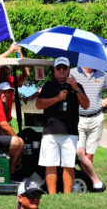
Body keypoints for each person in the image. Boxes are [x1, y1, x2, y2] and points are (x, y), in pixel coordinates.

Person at [36, 57, 89, 194]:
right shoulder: (48, 86)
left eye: (64, 68)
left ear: (68, 70)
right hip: (50, 132)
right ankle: (53, 195)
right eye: (58, 68)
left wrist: (76, 88)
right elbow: (39, 104)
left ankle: (67, 195)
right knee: (50, 165)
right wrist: (58, 98)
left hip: (69, 132)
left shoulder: (76, 85)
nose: (61, 70)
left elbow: (86, 105)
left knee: (68, 165)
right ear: (54, 70)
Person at [70, 66, 107, 192]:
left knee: (89, 157)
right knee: (80, 152)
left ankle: (88, 184)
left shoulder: (102, 74)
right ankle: (95, 182)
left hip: (96, 118)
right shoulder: (72, 72)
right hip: (78, 118)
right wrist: (35, 95)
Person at [0, 42, 30, 121]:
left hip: (6, 120)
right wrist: (9, 51)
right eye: (1, 69)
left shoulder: (11, 80)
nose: (4, 72)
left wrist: (19, 53)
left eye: (6, 70)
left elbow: (26, 74)